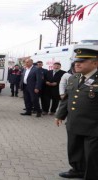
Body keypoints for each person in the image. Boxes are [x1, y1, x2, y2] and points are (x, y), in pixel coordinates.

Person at [55, 48, 98, 180]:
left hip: (93, 126)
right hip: (74, 123)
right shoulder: (74, 78)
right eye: (76, 61)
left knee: (92, 154)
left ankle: (91, 175)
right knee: (74, 149)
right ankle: (77, 170)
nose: (77, 64)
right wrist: (59, 115)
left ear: (95, 63)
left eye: (82, 61)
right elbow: (67, 98)